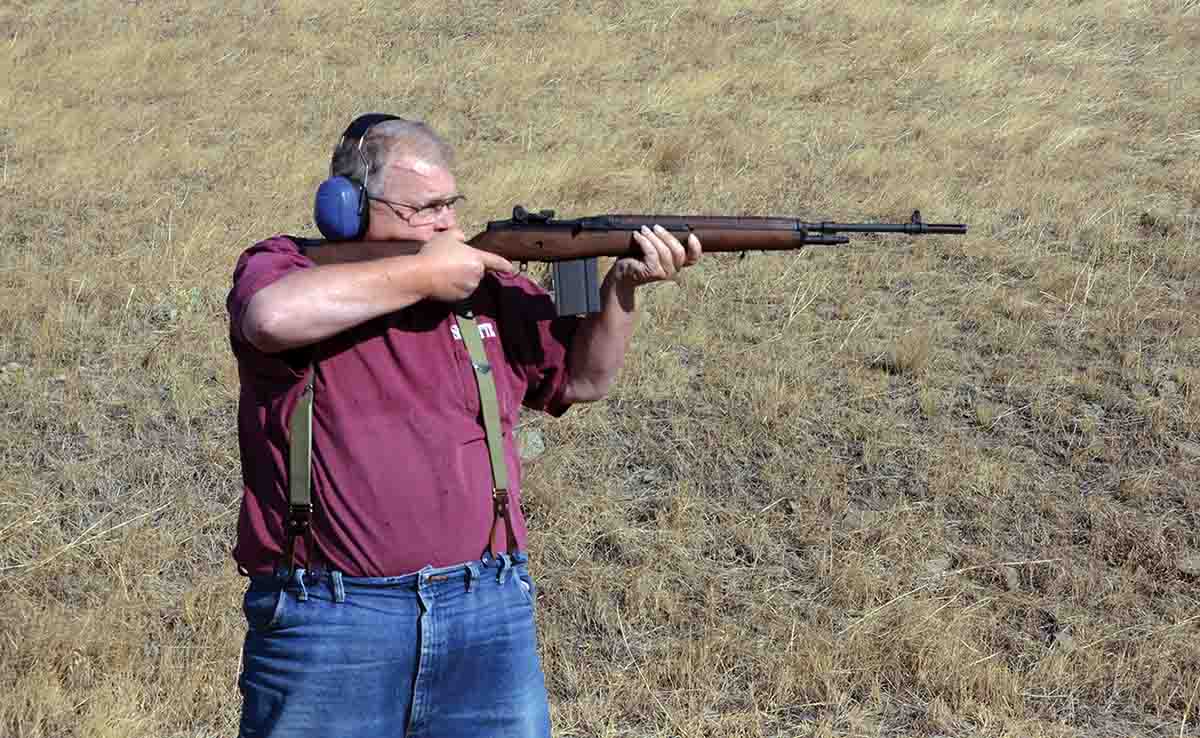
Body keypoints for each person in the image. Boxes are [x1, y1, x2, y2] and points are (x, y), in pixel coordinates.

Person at [226, 113, 701, 738]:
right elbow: (271, 318)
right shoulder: (285, 266)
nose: (447, 223)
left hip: (487, 606)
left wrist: (621, 290)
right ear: (347, 210)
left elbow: (584, 381)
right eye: (424, 209)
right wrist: (425, 275)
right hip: (329, 617)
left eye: (451, 203)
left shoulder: (485, 286)